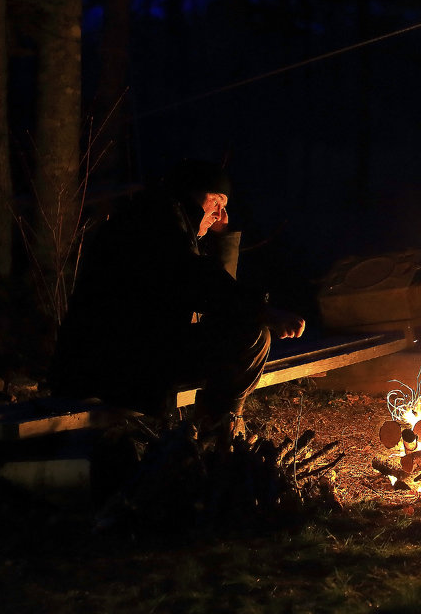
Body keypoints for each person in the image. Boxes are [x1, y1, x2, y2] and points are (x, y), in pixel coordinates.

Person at [50, 158, 305, 438]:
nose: (221, 214)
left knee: (249, 334)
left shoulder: (168, 218)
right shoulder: (155, 220)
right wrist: (263, 310)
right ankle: (216, 436)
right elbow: (197, 281)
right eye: (215, 201)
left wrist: (220, 237)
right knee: (250, 336)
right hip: (112, 361)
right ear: (191, 192)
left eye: (225, 205)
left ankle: (217, 433)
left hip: (137, 352)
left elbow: (212, 291)